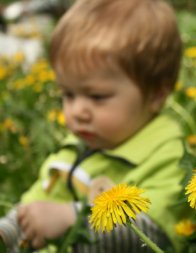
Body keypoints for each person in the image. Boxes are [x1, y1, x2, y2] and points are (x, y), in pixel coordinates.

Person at [0, 0, 185, 252]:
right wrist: (7, 231)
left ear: (155, 95)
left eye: (97, 97)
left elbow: (154, 230)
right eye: (68, 94)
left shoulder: (167, 154)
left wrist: (72, 220)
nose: (76, 112)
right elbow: (32, 208)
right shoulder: (74, 149)